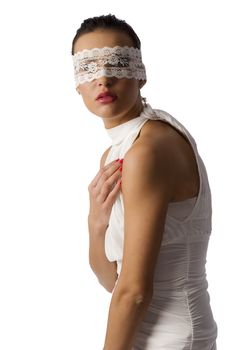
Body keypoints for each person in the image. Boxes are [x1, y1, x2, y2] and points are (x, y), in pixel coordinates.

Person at [71, 14, 218, 350]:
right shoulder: (118, 153)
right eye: (88, 67)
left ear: (141, 74)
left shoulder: (148, 150)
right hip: (145, 333)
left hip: (171, 338)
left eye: (118, 63)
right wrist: (96, 224)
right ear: (76, 84)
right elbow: (114, 281)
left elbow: (134, 292)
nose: (103, 78)